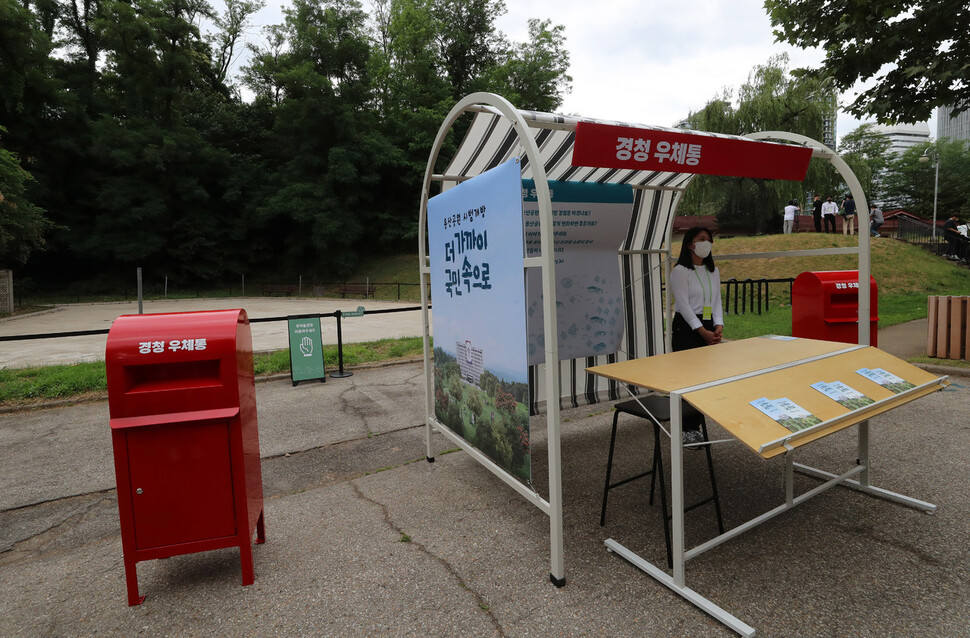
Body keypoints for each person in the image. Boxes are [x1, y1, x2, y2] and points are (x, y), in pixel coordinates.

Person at [670, 227, 724, 444]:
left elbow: (717, 299)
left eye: (709, 240)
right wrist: (701, 331)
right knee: (688, 378)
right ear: (690, 244)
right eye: (701, 239)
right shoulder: (681, 271)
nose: (706, 243)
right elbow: (682, 305)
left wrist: (718, 324)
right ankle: (686, 429)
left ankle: (696, 425)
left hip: (708, 323)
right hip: (687, 327)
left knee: (704, 378)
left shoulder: (713, 270)